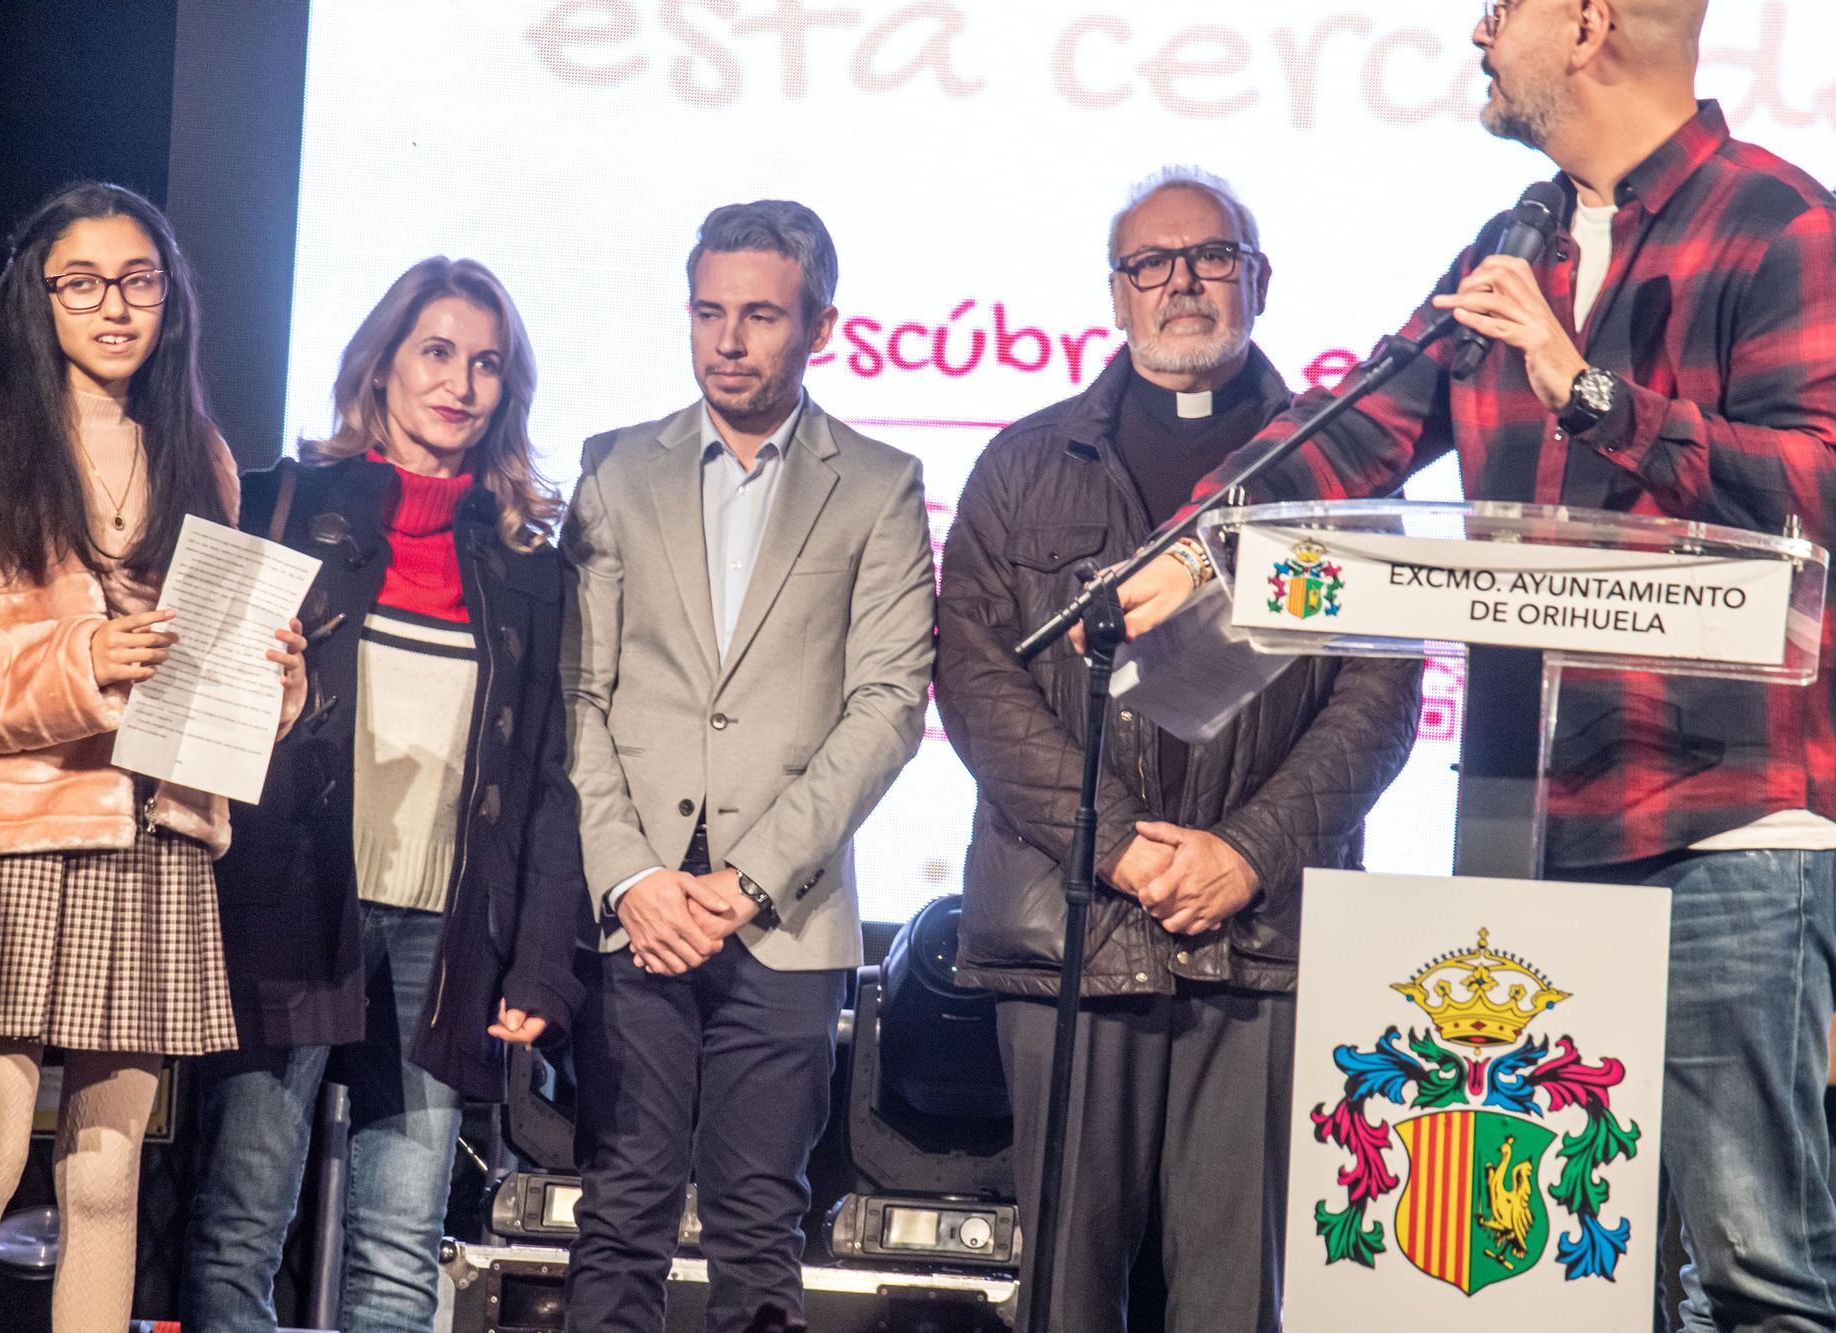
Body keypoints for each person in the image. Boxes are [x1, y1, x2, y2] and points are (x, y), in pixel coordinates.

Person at [1106, 4, 1836, 1327]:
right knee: (1553, 1288)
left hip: (1728, 825)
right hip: (1527, 824)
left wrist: (1591, 393)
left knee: (1752, 1267)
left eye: (1508, 7)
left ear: (1594, 21)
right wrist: (1200, 542)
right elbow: (1353, 433)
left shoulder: (1781, 224)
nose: (1479, 30)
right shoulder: (1518, 244)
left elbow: (1818, 488)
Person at [934, 167, 1422, 1331]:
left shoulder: (1337, 474)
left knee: (1230, 1297)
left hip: (1262, 934)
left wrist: (1243, 853)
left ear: (1257, 278)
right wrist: (1115, 849)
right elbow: (974, 679)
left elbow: (1379, 697)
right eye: (1151, 263)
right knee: (1064, 1295)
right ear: (1115, 294)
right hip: (1072, 932)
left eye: (1209, 257)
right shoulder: (1021, 463)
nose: (1182, 283)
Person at [0, 181, 304, 1331]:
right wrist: (80, 660)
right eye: (84, 283)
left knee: (108, 1176)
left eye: (140, 282)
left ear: (173, 300)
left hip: (155, 837)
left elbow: (201, 668)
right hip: (14, 831)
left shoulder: (198, 456)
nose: (116, 307)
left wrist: (274, 676)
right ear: (38, 297)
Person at [181, 257, 585, 1332]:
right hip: (285, 904)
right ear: (383, 366)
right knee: (238, 1228)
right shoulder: (282, 504)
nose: (460, 382)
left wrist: (539, 956)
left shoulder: (526, 564)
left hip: (442, 935)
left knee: (400, 1252)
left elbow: (551, 779)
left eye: (486, 364)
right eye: (437, 352)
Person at [559, 199, 936, 1332]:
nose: (727, 339)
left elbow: (886, 706)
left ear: (819, 324)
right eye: (708, 311)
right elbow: (578, 695)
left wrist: (746, 882)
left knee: (756, 1225)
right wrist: (630, 877)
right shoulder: (617, 468)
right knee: (618, 1215)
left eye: (760, 315)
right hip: (634, 913)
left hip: (785, 918)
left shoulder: (875, 482)